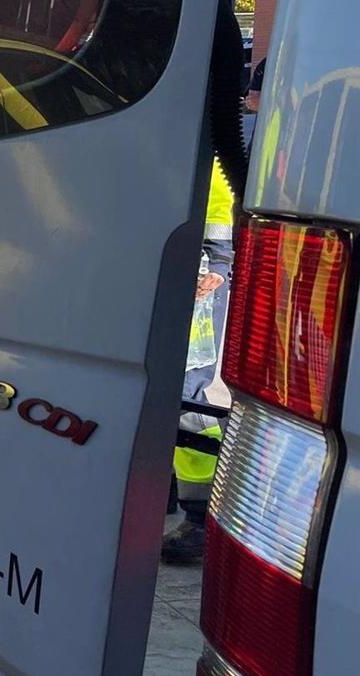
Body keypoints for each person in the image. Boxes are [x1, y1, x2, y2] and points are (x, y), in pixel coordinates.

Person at [163, 158, 236, 565]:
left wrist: (218, 269)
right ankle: (165, 491)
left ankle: (202, 516)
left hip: (199, 278)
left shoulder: (203, 149)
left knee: (187, 397)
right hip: (170, 271)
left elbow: (218, 217)